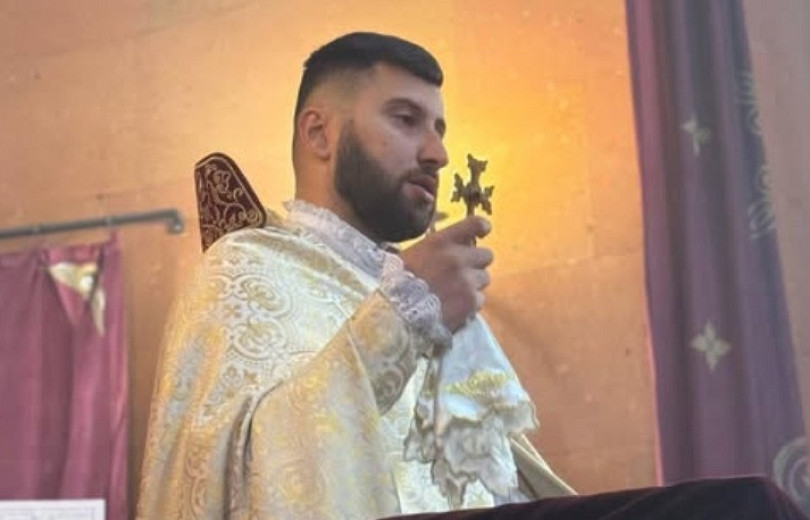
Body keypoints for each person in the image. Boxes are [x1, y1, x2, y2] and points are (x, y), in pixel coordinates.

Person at [137, 32, 808, 520]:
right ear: (319, 134)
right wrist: (403, 315)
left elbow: (497, 484)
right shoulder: (249, 270)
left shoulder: (401, 283)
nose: (437, 152)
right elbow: (245, 476)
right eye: (405, 120)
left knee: (749, 505)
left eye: (439, 128)